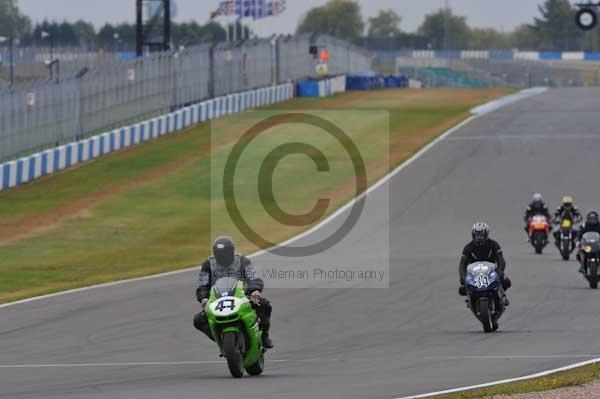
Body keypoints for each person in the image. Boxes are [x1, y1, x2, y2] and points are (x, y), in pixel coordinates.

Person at [193, 236, 273, 349]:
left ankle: (264, 336)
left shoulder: (242, 260)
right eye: (219, 254)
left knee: (264, 305)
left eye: (225, 253)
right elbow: (202, 285)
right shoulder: (208, 264)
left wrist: (255, 290)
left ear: (232, 251)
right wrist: (204, 299)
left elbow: (254, 277)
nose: (222, 257)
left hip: (242, 296)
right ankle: (221, 339)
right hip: (217, 299)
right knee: (199, 320)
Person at [459, 223, 510, 305]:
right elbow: (462, 264)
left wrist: (500, 270)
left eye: (481, 235)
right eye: (477, 235)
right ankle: (471, 299)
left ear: (486, 235)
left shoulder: (494, 244)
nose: (479, 237)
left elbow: (501, 259)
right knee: (461, 289)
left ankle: (502, 295)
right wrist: (462, 275)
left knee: (507, 282)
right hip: (474, 273)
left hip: (491, 270)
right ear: (473, 235)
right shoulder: (467, 248)